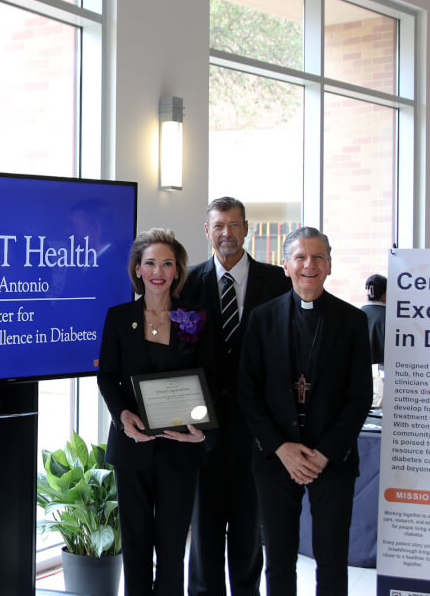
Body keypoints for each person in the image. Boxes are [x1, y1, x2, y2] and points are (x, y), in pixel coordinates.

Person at [238, 227, 372, 596]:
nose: (308, 265)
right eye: (300, 257)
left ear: (329, 265)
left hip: (332, 459)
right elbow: (247, 392)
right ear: (286, 265)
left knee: (332, 560)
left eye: (318, 257)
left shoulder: (352, 321)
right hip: (275, 458)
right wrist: (282, 448)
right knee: (279, 560)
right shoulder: (262, 318)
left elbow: (360, 396)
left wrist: (325, 452)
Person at [180, 197, 289, 596]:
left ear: (247, 229)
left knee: (248, 539)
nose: (227, 233)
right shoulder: (186, 283)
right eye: (218, 226)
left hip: (257, 435)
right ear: (207, 231)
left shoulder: (278, 282)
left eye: (234, 225)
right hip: (201, 434)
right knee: (204, 537)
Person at [97, 228, 209, 596]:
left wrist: (201, 427)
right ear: (138, 270)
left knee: (173, 547)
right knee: (136, 546)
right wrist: (121, 416)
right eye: (150, 263)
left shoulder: (194, 318)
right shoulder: (118, 317)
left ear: (177, 270)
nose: (158, 270)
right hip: (133, 446)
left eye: (167, 263)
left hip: (180, 449)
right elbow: (108, 376)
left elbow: (210, 378)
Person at [361, 274, 386, 367]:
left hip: (361, 368)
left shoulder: (357, 313)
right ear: (385, 293)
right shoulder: (389, 316)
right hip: (384, 370)